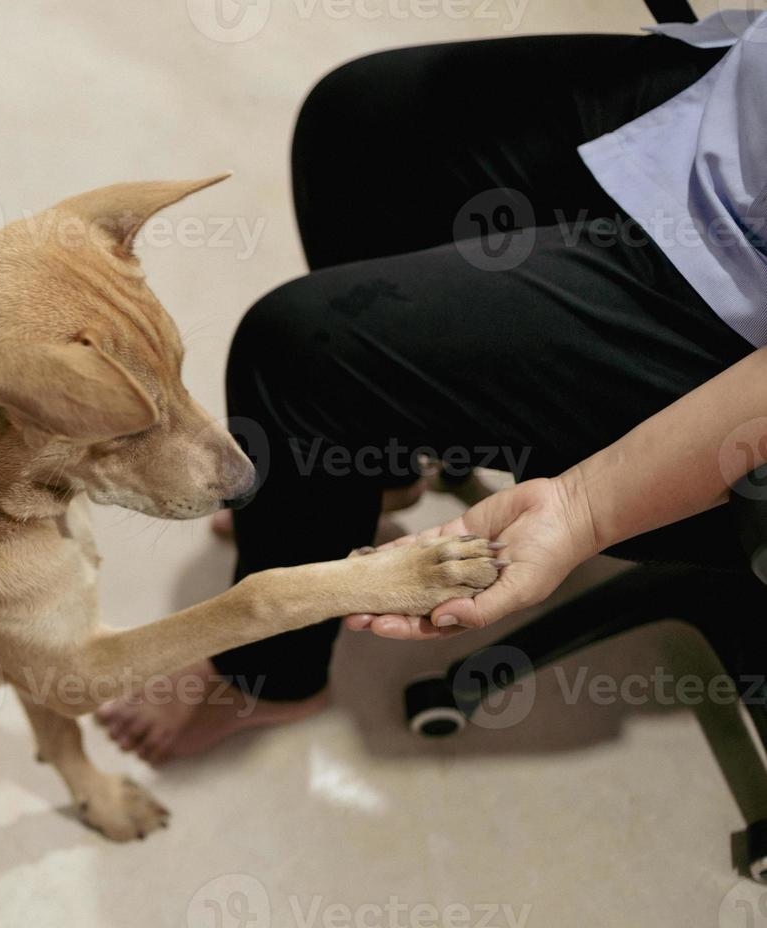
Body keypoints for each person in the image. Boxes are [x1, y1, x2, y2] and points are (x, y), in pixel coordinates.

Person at [96, 11, 767, 764]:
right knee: (358, 124)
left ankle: (271, 675)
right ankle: (365, 478)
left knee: (297, 353)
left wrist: (585, 506)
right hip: (734, 116)